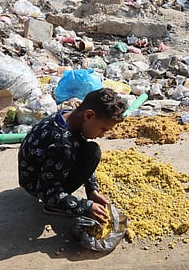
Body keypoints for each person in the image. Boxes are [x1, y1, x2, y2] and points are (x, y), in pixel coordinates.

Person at [18, 88, 126, 223]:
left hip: (38, 171)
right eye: (103, 129)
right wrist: (86, 207)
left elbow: (80, 147)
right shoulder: (63, 145)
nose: (101, 135)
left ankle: (60, 196)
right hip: (36, 185)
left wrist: (92, 189)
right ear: (89, 115)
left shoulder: (67, 116)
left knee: (90, 150)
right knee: (92, 152)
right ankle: (53, 206)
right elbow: (47, 192)